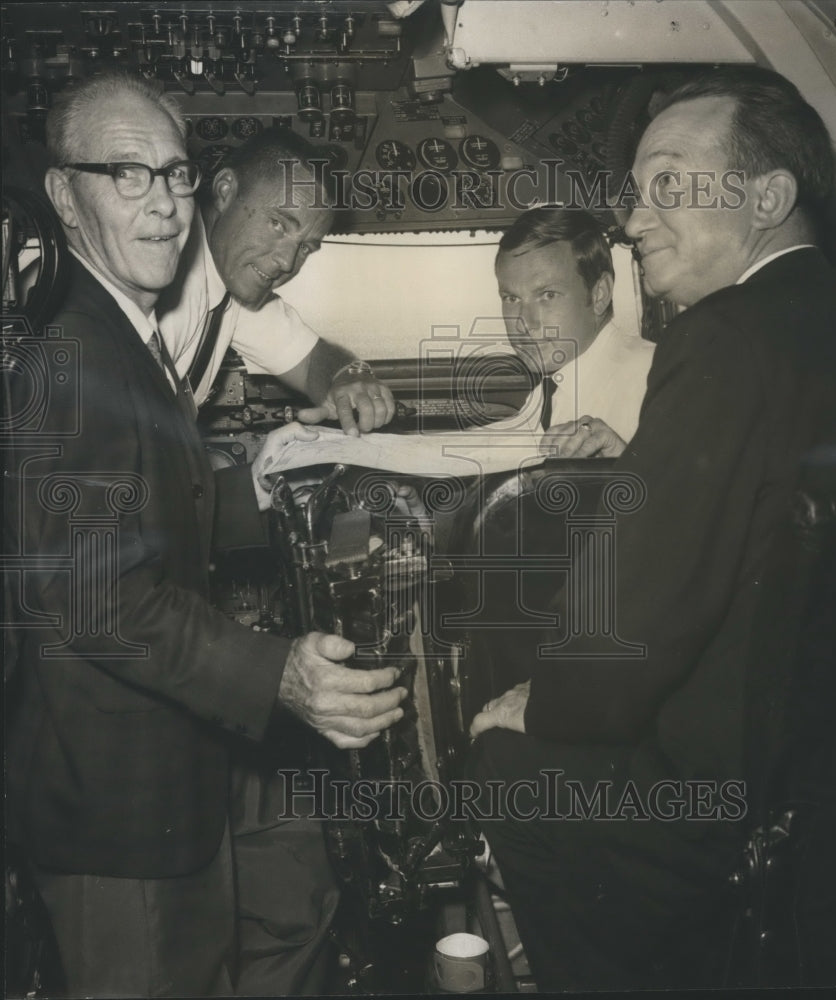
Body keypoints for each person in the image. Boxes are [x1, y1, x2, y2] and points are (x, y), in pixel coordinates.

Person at [4, 72, 405, 997]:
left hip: (154, 755)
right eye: (126, 175)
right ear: (66, 193)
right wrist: (278, 674)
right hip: (111, 799)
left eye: (173, 175)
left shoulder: (121, 325)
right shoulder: (71, 349)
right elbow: (98, 597)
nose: (162, 206)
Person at [467, 65, 836, 990]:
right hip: (822, 773)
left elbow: (638, 618)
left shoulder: (725, 336)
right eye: (635, 193)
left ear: (766, 197)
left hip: (721, 803)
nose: (634, 219)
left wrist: (541, 703)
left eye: (668, 187)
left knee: (500, 757)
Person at [159, 126, 394, 435]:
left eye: (306, 247)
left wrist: (348, 375)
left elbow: (311, 361)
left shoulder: (231, 284)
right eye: (278, 224)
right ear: (226, 191)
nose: (287, 262)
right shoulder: (163, 278)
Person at [492, 206, 653, 449]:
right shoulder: (551, 386)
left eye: (548, 295)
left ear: (599, 294)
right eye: (512, 299)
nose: (524, 323)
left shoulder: (654, 377)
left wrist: (625, 467)